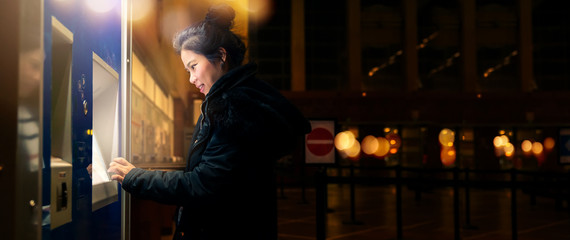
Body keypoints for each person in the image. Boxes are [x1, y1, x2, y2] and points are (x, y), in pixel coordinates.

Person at [108, 4, 311, 240]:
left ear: (221, 56)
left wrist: (136, 177)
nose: (192, 78)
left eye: (193, 66)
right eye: (187, 71)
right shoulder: (234, 102)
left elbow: (202, 185)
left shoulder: (234, 108)